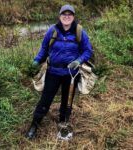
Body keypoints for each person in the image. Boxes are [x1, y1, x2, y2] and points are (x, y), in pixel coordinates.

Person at [25, 4, 93, 139]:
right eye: (64, 14)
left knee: (67, 101)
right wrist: (36, 61)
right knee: (45, 100)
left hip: (71, 74)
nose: (66, 17)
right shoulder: (52, 31)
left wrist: (78, 61)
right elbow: (44, 49)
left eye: (69, 15)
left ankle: (63, 124)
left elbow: (88, 50)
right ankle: (34, 125)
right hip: (53, 72)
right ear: (60, 16)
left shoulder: (79, 31)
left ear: (73, 17)